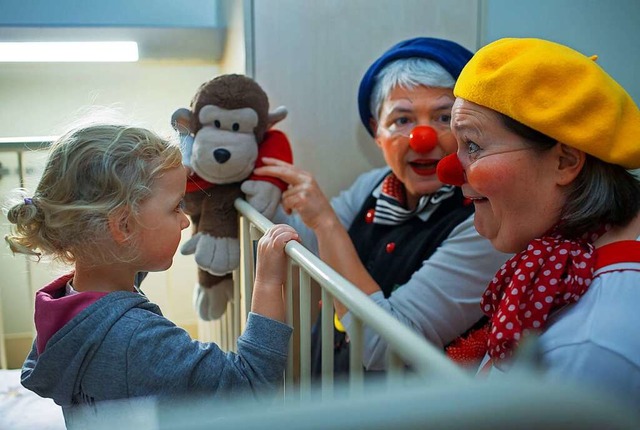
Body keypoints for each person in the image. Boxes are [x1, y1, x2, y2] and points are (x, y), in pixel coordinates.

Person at [3, 119, 297, 426]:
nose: (185, 221)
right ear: (124, 226)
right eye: (176, 207)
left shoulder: (68, 311)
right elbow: (250, 386)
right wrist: (267, 279)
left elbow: (123, 260)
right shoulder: (139, 341)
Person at [254, 37, 511, 373]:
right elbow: (306, 246)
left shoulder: (484, 222)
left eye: (444, 117)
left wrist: (325, 222)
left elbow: (383, 349)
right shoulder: (372, 185)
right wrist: (252, 181)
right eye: (402, 120)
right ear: (377, 133)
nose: (423, 138)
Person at [437, 37, 640, 405]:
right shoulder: (563, 258)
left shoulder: (591, 346)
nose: (449, 171)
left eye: (473, 145)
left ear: (564, 162)